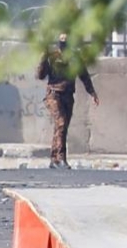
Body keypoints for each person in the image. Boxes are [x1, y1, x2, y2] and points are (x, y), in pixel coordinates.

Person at [35, 33, 100, 169]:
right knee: (61, 123)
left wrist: (92, 92)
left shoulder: (75, 57)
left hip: (68, 95)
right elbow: (40, 75)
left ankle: (54, 159)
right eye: (62, 40)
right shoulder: (52, 57)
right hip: (54, 94)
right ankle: (61, 158)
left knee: (61, 127)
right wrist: (43, 57)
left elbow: (84, 75)